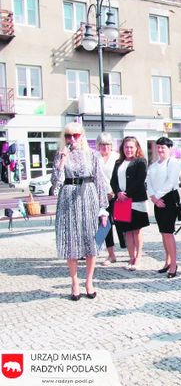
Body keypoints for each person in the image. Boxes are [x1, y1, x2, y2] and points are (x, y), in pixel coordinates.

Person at [52, 122, 109, 300]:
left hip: (89, 196)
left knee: (91, 241)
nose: (72, 139)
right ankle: (75, 282)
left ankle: (89, 281)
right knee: (71, 242)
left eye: (76, 135)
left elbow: (100, 181)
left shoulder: (91, 155)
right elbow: (55, 182)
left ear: (82, 136)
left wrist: (103, 209)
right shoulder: (61, 155)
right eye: (68, 136)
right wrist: (62, 160)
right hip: (68, 200)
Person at [110, 136, 149, 271]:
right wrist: (118, 193)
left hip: (135, 200)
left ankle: (138, 257)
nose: (129, 149)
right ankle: (131, 256)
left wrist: (126, 194)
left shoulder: (141, 161)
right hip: (121, 200)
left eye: (131, 147)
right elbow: (113, 181)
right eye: (126, 147)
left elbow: (140, 180)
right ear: (123, 148)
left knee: (136, 230)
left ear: (136, 148)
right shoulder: (118, 162)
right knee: (127, 231)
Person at [146, 137, 181, 278]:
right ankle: (167, 261)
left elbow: (171, 182)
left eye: (163, 147)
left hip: (168, 198)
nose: (160, 150)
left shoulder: (172, 163)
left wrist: (158, 196)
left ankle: (174, 264)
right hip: (156, 200)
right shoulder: (153, 165)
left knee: (168, 233)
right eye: (158, 147)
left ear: (169, 149)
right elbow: (148, 182)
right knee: (163, 233)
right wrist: (153, 197)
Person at [95, 132, 125, 266]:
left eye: (107, 144)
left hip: (117, 195)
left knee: (123, 224)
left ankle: (130, 252)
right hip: (101, 196)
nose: (105, 147)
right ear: (98, 145)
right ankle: (111, 254)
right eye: (102, 144)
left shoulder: (117, 157)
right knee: (104, 225)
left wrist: (117, 191)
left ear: (111, 145)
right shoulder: (94, 158)